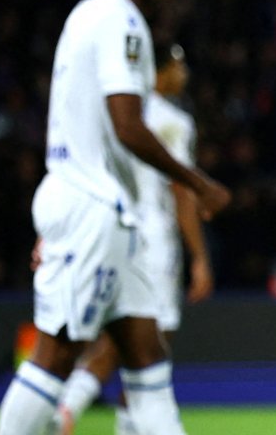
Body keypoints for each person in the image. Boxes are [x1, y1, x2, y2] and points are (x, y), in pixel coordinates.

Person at [0, 0, 232, 435]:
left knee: (147, 354)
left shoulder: (93, 16)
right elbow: (128, 126)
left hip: (107, 210)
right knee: (56, 354)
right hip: (93, 206)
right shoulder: (118, 20)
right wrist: (198, 183)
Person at [56, 43, 214, 434]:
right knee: (148, 343)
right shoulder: (172, 122)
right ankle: (63, 412)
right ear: (159, 70)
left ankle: (80, 411)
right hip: (152, 241)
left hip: (108, 234)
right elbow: (181, 192)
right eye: (178, 64)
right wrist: (199, 257)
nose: (184, 73)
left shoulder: (113, 111)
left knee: (121, 339)